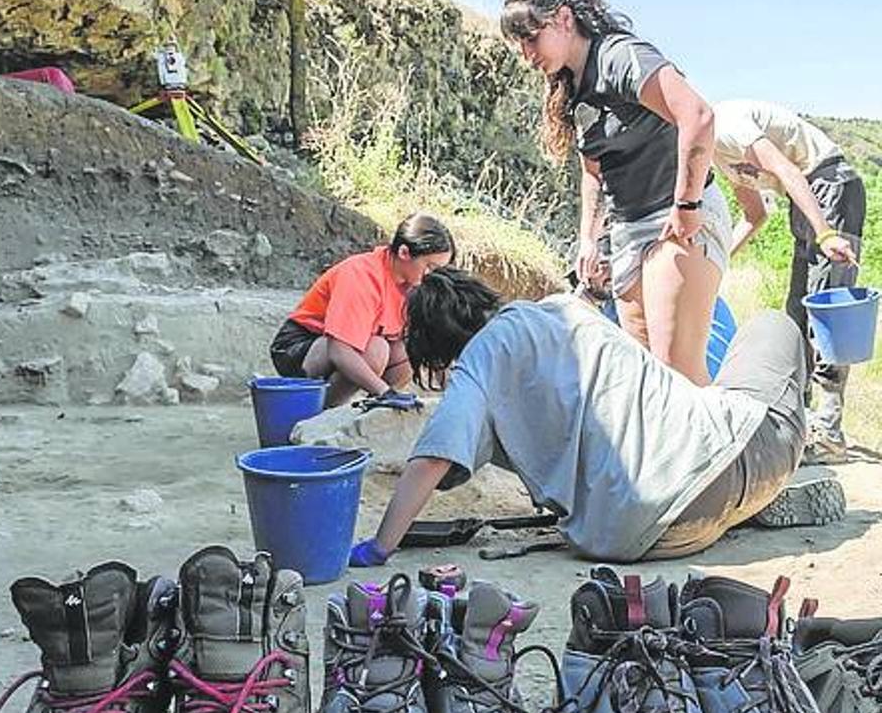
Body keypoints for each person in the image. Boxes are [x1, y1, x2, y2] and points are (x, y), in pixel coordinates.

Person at [348, 267, 834, 566]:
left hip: (635, 537)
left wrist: (380, 545)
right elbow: (438, 453)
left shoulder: (477, 369)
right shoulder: (561, 310)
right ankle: (751, 493)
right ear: (481, 299)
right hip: (726, 459)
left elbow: (436, 455)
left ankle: (732, 507)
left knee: (706, 444)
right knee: (771, 326)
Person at [502, 0, 732, 385]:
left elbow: (698, 118)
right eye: (519, 43)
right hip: (627, 230)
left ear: (564, 19)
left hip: (675, 219)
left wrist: (687, 206)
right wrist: (590, 240)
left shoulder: (620, 57)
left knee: (675, 374)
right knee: (644, 378)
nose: (525, 54)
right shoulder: (570, 88)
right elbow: (594, 172)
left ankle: (724, 453)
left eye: (531, 38)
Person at [713, 100, 865, 463]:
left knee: (828, 310)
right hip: (807, 200)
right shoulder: (716, 156)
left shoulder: (724, 125)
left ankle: (828, 430)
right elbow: (756, 214)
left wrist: (826, 233)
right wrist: (717, 261)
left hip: (829, 185)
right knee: (797, 314)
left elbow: (788, 170)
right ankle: (797, 420)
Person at [269, 213, 455, 407]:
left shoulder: (414, 285)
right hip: (301, 347)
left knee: (409, 351)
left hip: (349, 346)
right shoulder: (361, 275)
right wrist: (385, 391)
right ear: (404, 253)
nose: (433, 276)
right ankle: (317, 412)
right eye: (430, 267)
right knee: (375, 350)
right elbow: (339, 350)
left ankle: (375, 409)